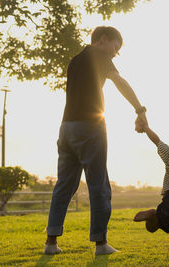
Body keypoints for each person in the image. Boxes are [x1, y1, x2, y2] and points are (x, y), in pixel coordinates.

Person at [44, 26, 148, 255]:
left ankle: (50, 243)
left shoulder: (75, 60)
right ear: (103, 40)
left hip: (66, 127)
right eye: (115, 48)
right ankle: (101, 244)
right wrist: (139, 109)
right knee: (98, 183)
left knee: (64, 185)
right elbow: (119, 81)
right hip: (90, 126)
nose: (115, 53)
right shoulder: (99, 56)